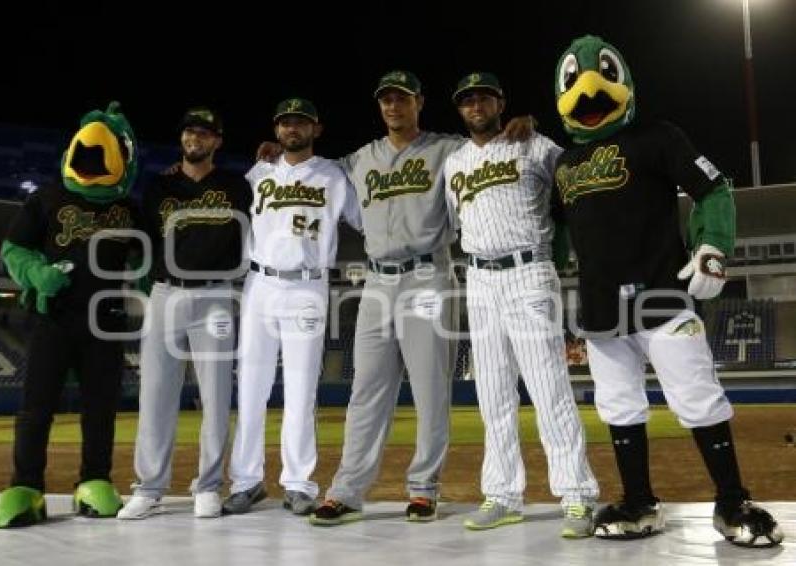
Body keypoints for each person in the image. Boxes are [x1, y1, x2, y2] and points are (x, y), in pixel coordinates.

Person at [552, 35, 783, 547]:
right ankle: (639, 501)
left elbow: (713, 189)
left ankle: (731, 501)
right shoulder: (563, 165)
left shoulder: (658, 136)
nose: (589, 96)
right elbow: (553, 232)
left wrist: (711, 247)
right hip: (600, 310)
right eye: (576, 88)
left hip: (663, 295)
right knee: (618, 405)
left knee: (699, 399)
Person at [300, 70, 534, 525]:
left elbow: (488, 144)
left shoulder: (447, 149)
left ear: (419, 103)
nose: (393, 107)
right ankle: (347, 491)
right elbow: (312, 171)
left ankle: (424, 488)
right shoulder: (361, 158)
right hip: (375, 283)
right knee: (365, 390)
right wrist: (278, 156)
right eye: (386, 99)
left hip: (428, 276)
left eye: (402, 99)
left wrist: (518, 125)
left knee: (429, 389)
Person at [443, 72, 599, 537]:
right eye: (467, 99)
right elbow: (457, 222)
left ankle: (576, 495)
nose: (475, 105)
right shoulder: (454, 164)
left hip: (529, 270)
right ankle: (503, 495)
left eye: (484, 97)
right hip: (478, 277)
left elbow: (578, 176)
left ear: (500, 102)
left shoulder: (534, 144)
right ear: (460, 109)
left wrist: (537, 122)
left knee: (549, 387)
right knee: (492, 394)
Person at [0, 102, 139, 527]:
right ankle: (26, 486)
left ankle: (94, 480)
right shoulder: (46, 197)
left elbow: (152, 259)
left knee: (101, 409)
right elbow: (14, 248)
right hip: (53, 318)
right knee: (35, 408)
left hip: (106, 322)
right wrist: (36, 273)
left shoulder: (129, 207)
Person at [224, 98, 362, 516]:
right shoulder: (258, 172)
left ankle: (299, 483)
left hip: (307, 285)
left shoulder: (334, 175)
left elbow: (364, 219)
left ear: (316, 129)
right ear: (276, 129)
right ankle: (246, 482)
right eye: (285, 122)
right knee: (250, 386)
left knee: (301, 389)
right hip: (259, 284)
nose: (292, 128)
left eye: (300, 122)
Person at [117, 107, 253, 520]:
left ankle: (208, 485)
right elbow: (145, 240)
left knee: (215, 396)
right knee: (155, 395)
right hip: (165, 294)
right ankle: (150, 486)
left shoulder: (237, 185)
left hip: (214, 296)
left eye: (204, 132)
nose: (195, 137)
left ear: (217, 140)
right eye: (189, 131)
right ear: (182, 139)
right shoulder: (159, 186)